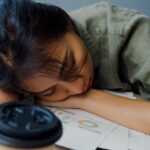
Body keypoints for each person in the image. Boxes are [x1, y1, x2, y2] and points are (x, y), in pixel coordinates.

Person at [0, 0, 150, 134]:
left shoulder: (129, 33)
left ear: (67, 23)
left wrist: (84, 100)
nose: (77, 88)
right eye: (49, 90)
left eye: (70, 64)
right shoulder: (16, 71)